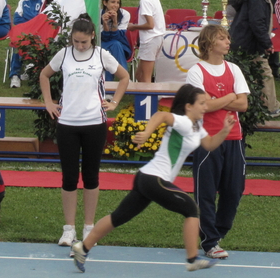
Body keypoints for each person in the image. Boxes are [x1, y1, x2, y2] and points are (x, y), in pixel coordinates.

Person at [71, 84, 235, 273]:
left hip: (145, 178)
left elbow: (210, 145)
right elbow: (161, 116)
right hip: (154, 179)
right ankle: (192, 259)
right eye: (202, 103)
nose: (206, 107)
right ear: (189, 106)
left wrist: (224, 130)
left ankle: (82, 248)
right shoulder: (183, 121)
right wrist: (147, 132)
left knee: (118, 217)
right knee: (191, 210)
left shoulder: (197, 127)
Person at [39, 14, 130, 248]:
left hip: (94, 123)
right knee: (69, 177)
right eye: (76, 42)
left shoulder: (101, 55)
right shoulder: (64, 54)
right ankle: (68, 229)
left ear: (92, 36)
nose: (80, 46)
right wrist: (48, 102)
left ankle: (89, 227)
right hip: (67, 123)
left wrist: (114, 102)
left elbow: (124, 76)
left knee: (91, 176)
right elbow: (44, 75)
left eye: (84, 42)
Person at [187, 25, 250, 259]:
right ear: (210, 43)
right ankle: (210, 241)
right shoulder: (196, 72)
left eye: (228, 38)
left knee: (234, 191)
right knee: (205, 192)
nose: (228, 42)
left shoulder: (233, 69)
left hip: (233, 138)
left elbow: (243, 105)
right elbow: (203, 107)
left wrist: (218, 100)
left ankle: (217, 233)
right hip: (208, 140)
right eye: (222, 38)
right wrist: (230, 96)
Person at [229, 0, 280, 118]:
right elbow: (257, 24)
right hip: (248, 44)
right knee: (264, 73)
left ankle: (262, 106)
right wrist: (267, 44)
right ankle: (270, 108)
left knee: (253, 74)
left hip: (243, 43)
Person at [9, 0, 50, 88]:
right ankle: (15, 75)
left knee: (29, 41)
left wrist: (29, 18)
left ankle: (31, 68)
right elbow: (16, 19)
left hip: (41, 34)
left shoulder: (47, 0)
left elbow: (44, 20)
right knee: (17, 42)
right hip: (25, 33)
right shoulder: (24, 0)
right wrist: (34, 19)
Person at [126, 0, 165, 83]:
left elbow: (150, 24)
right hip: (155, 38)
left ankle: (147, 99)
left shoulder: (146, 1)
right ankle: (141, 99)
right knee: (139, 75)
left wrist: (134, 26)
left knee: (146, 77)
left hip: (150, 39)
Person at [100, 0, 132, 81]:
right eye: (113, 2)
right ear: (105, 3)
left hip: (121, 46)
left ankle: (108, 85)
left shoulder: (125, 14)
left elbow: (118, 36)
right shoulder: (98, 14)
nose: (116, 5)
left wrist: (114, 21)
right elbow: (103, 37)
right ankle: (125, 78)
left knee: (115, 44)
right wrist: (105, 23)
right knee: (112, 47)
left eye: (118, 2)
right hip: (102, 43)